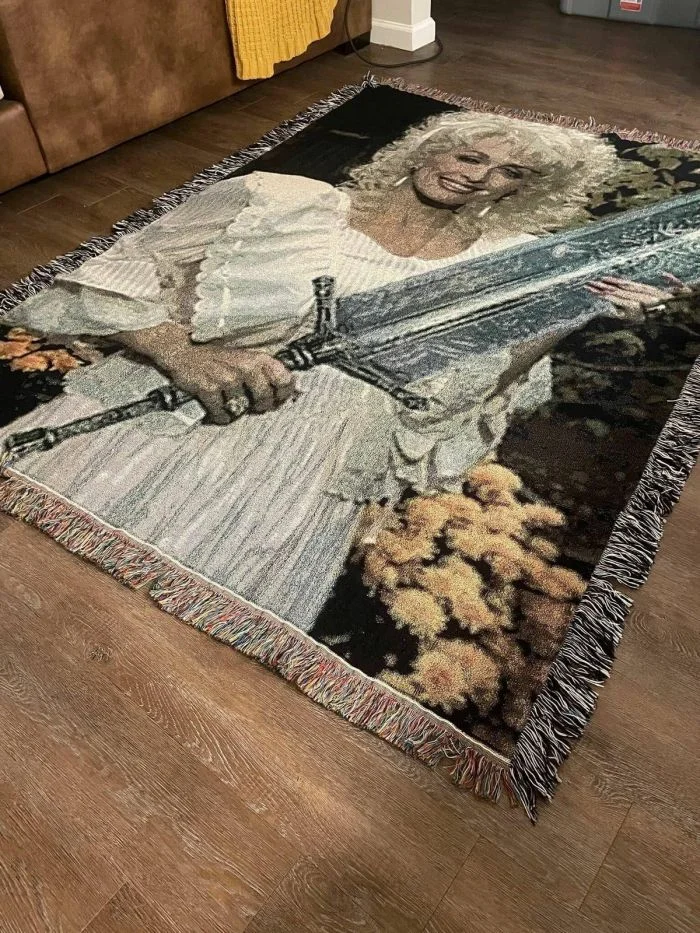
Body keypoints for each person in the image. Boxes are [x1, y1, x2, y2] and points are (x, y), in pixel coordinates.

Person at [3, 111, 674, 629]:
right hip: (182, 407)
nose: (477, 176)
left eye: (508, 172)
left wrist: (574, 309)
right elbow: (109, 270)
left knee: (185, 636)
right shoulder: (277, 200)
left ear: (525, 190)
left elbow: (465, 396)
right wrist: (182, 354)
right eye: (469, 155)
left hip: (322, 459)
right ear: (427, 148)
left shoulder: (510, 261)